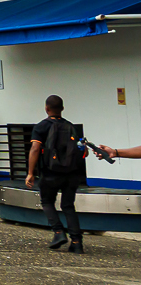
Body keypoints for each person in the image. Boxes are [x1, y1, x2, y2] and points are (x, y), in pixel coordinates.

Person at [26, 95, 88, 253]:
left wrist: (30, 173)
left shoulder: (41, 127)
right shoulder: (72, 127)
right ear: (62, 109)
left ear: (46, 108)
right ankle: (77, 242)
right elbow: (84, 152)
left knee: (47, 201)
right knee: (68, 206)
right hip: (72, 174)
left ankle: (59, 232)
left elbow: (35, 149)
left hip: (50, 173)